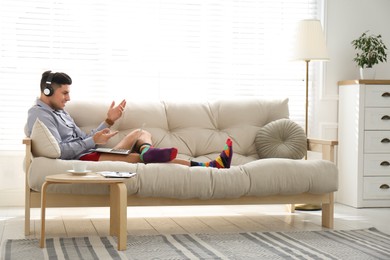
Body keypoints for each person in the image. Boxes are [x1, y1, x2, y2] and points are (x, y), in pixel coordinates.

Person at [25, 70, 233, 168]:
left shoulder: (60, 112)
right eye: (64, 93)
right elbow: (59, 150)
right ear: (46, 90)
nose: (68, 98)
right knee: (134, 159)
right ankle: (211, 166)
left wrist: (108, 121)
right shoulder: (39, 115)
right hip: (81, 159)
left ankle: (147, 151)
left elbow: (85, 137)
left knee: (141, 133)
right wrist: (92, 142)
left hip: (92, 151)